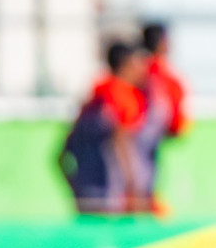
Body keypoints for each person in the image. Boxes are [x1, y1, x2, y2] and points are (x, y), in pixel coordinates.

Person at [60, 41, 152, 215]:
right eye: (138, 63)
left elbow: (61, 157)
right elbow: (122, 142)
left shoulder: (91, 102)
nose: (143, 70)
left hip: (86, 197)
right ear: (126, 65)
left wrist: (76, 189)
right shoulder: (123, 98)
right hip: (113, 198)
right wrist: (136, 191)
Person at [139, 21, 188, 213]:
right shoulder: (162, 75)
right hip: (143, 144)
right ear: (163, 43)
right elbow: (176, 123)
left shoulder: (135, 70)